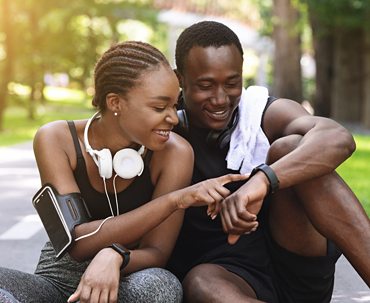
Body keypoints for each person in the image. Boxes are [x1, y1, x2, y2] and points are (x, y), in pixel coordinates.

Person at [0, 41, 247, 303]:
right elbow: (78, 242)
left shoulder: (175, 153)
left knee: (161, 287)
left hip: (127, 279)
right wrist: (174, 200)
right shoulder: (56, 138)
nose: (174, 118)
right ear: (115, 102)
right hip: (57, 283)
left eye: (175, 105)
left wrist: (116, 255)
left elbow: (157, 252)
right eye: (159, 107)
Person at [166, 21, 370, 303]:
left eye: (232, 83)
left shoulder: (262, 113)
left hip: (296, 267)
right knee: (201, 283)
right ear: (179, 78)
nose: (220, 99)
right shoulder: (161, 126)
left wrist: (263, 180)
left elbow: (338, 138)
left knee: (290, 147)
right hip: (226, 277)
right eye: (205, 85)